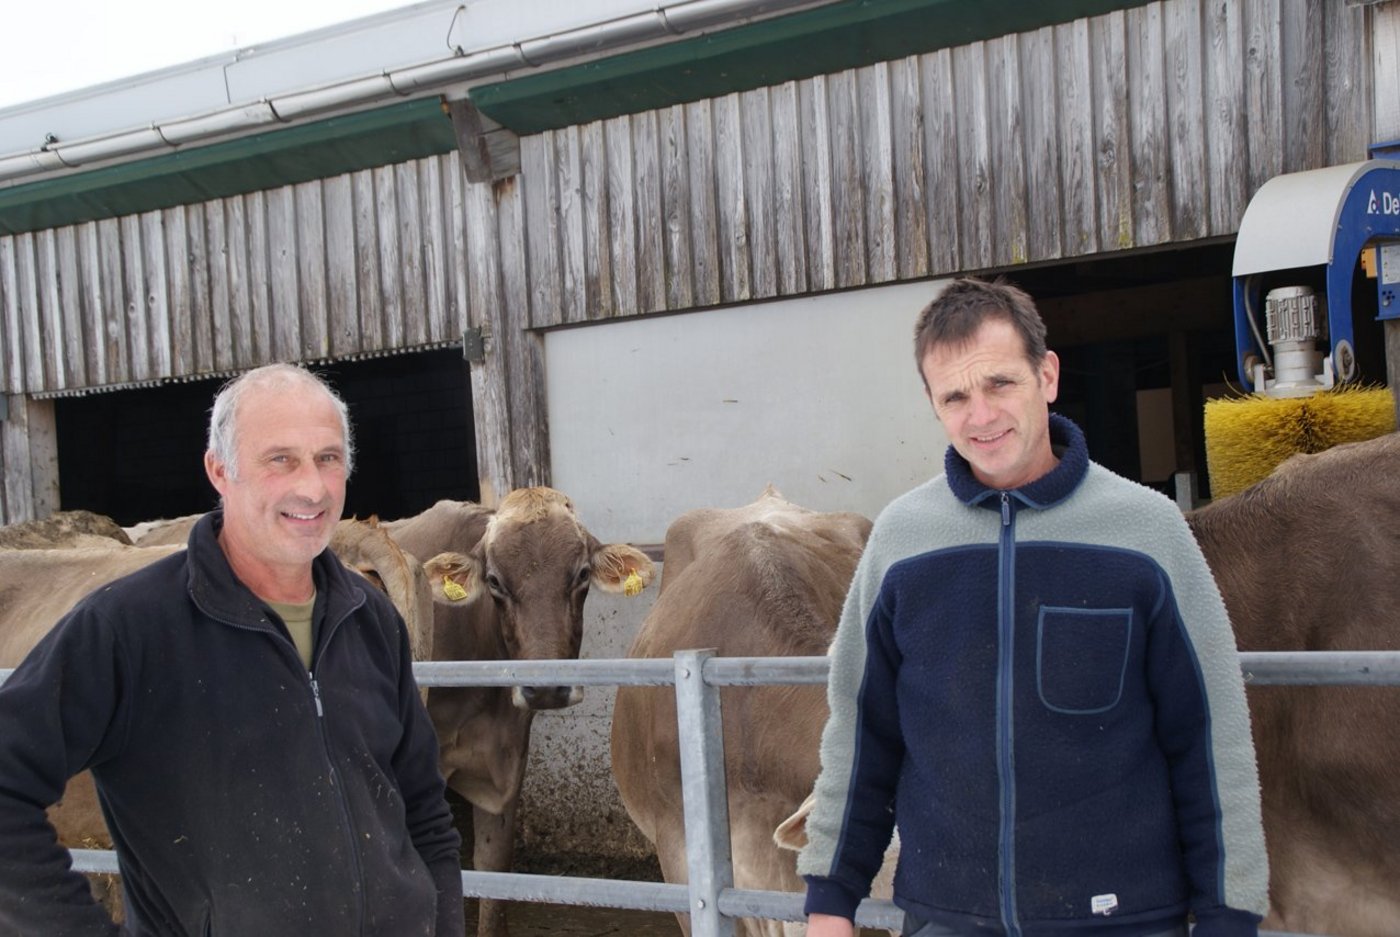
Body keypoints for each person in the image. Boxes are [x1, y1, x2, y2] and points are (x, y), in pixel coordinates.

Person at [798, 279, 1268, 937]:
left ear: (1046, 375)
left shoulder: (1147, 531)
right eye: (955, 396)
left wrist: (1229, 913)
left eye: (1000, 383)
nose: (980, 414)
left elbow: (1211, 736)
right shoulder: (900, 541)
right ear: (933, 404)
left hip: (1122, 920)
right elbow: (860, 732)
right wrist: (829, 899)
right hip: (949, 919)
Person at [0, 363, 464, 936]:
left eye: (328, 458)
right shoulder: (129, 626)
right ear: (220, 471)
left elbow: (424, 808)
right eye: (280, 460)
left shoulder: (369, 619)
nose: (313, 488)